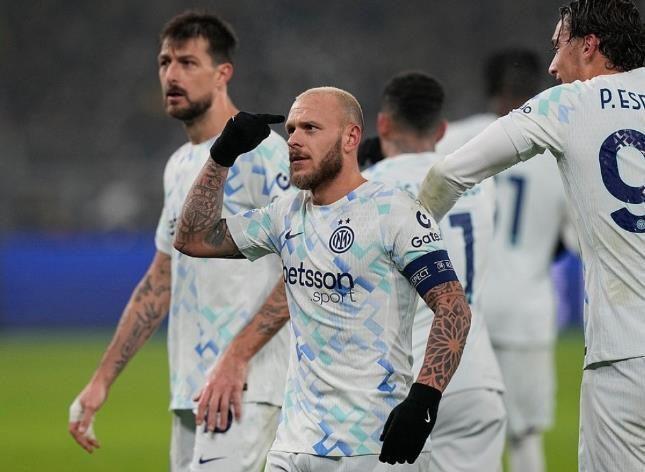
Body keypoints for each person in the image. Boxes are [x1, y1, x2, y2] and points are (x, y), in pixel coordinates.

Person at [173, 87, 473, 470]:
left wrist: (424, 397)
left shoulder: (394, 212)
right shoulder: (284, 215)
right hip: (294, 444)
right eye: (291, 129)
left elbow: (453, 307)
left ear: (350, 137)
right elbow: (193, 238)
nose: (293, 140)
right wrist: (221, 155)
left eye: (310, 128)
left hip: (374, 444)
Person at [418, 1, 645, 471]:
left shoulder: (567, 104)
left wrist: (405, 245)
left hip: (624, 353)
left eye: (559, 46)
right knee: (527, 439)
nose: (552, 66)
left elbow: (446, 176)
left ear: (589, 46)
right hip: (531, 315)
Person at [68, 11, 292, 472]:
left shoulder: (266, 154)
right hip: (191, 388)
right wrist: (101, 380)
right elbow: (161, 279)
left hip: (247, 386)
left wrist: (237, 358)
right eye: (165, 62)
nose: (172, 74)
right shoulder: (179, 165)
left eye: (188, 62)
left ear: (223, 73)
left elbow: (304, 267)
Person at [363, 71, 506, 472]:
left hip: (403, 382)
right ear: (442, 130)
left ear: (383, 124)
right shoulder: (481, 185)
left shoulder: (367, 189)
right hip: (475, 377)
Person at [442, 49, 577, 472]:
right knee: (525, 437)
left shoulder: (454, 139)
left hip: (459, 312)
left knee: (459, 437)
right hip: (525, 314)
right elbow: (573, 240)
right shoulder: (559, 148)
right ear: (538, 88)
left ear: (489, 87)